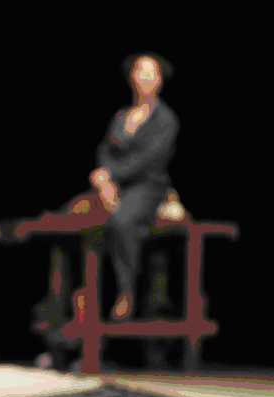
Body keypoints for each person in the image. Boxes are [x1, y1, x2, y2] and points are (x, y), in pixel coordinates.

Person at [89, 52, 180, 320]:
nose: (146, 77)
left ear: (160, 80)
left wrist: (112, 176)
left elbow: (148, 159)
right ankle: (70, 304)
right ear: (132, 77)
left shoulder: (166, 119)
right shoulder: (121, 116)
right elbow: (105, 149)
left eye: (153, 72)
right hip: (114, 185)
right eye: (141, 71)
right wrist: (103, 178)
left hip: (147, 185)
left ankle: (126, 292)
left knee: (122, 220)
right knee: (75, 216)